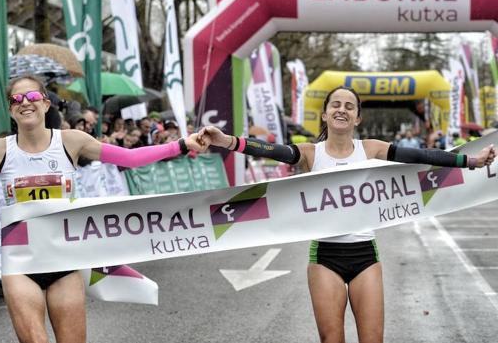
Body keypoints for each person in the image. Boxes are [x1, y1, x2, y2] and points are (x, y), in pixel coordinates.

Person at [0, 75, 209, 343]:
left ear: (45, 103)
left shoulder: (72, 141)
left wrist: (181, 145)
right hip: (21, 263)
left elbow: (130, 158)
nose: (24, 102)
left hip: (64, 259)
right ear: (12, 110)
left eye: (31, 95)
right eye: (16, 99)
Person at [199, 86, 495, 343]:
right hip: (325, 258)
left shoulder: (371, 149)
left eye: (349, 106)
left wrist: (469, 160)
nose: (342, 110)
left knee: (372, 339)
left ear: (357, 118)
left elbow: (421, 157)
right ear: (325, 115)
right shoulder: (311, 153)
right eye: (336, 105)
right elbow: (272, 150)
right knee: (332, 339)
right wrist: (226, 141)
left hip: (365, 256)